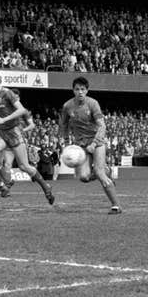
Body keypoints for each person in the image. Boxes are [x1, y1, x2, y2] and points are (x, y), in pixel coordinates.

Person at [0, 69, 55, 203]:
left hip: (14, 132)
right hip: (3, 132)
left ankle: (46, 187)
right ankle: (8, 180)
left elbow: (22, 110)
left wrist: (4, 119)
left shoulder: (8, 93)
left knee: (24, 166)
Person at [59, 76, 122, 214]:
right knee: (84, 177)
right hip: (81, 145)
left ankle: (116, 205)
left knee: (99, 173)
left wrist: (94, 144)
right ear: (73, 90)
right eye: (77, 89)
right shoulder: (67, 106)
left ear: (87, 90)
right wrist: (64, 141)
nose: (80, 92)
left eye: (83, 89)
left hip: (97, 142)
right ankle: (107, 171)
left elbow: (102, 126)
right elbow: (63, 124)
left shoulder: (93, 104)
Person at [0, 88, 36, 194]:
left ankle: (34, 173)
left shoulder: (23, 111)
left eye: (15, 96)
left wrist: (22, 130)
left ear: (18, 98)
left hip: (19, 141)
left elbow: (32, 125)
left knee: (24, 166)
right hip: (8, 141)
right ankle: (5, 187)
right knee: (7, 164)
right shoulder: (5, 110)